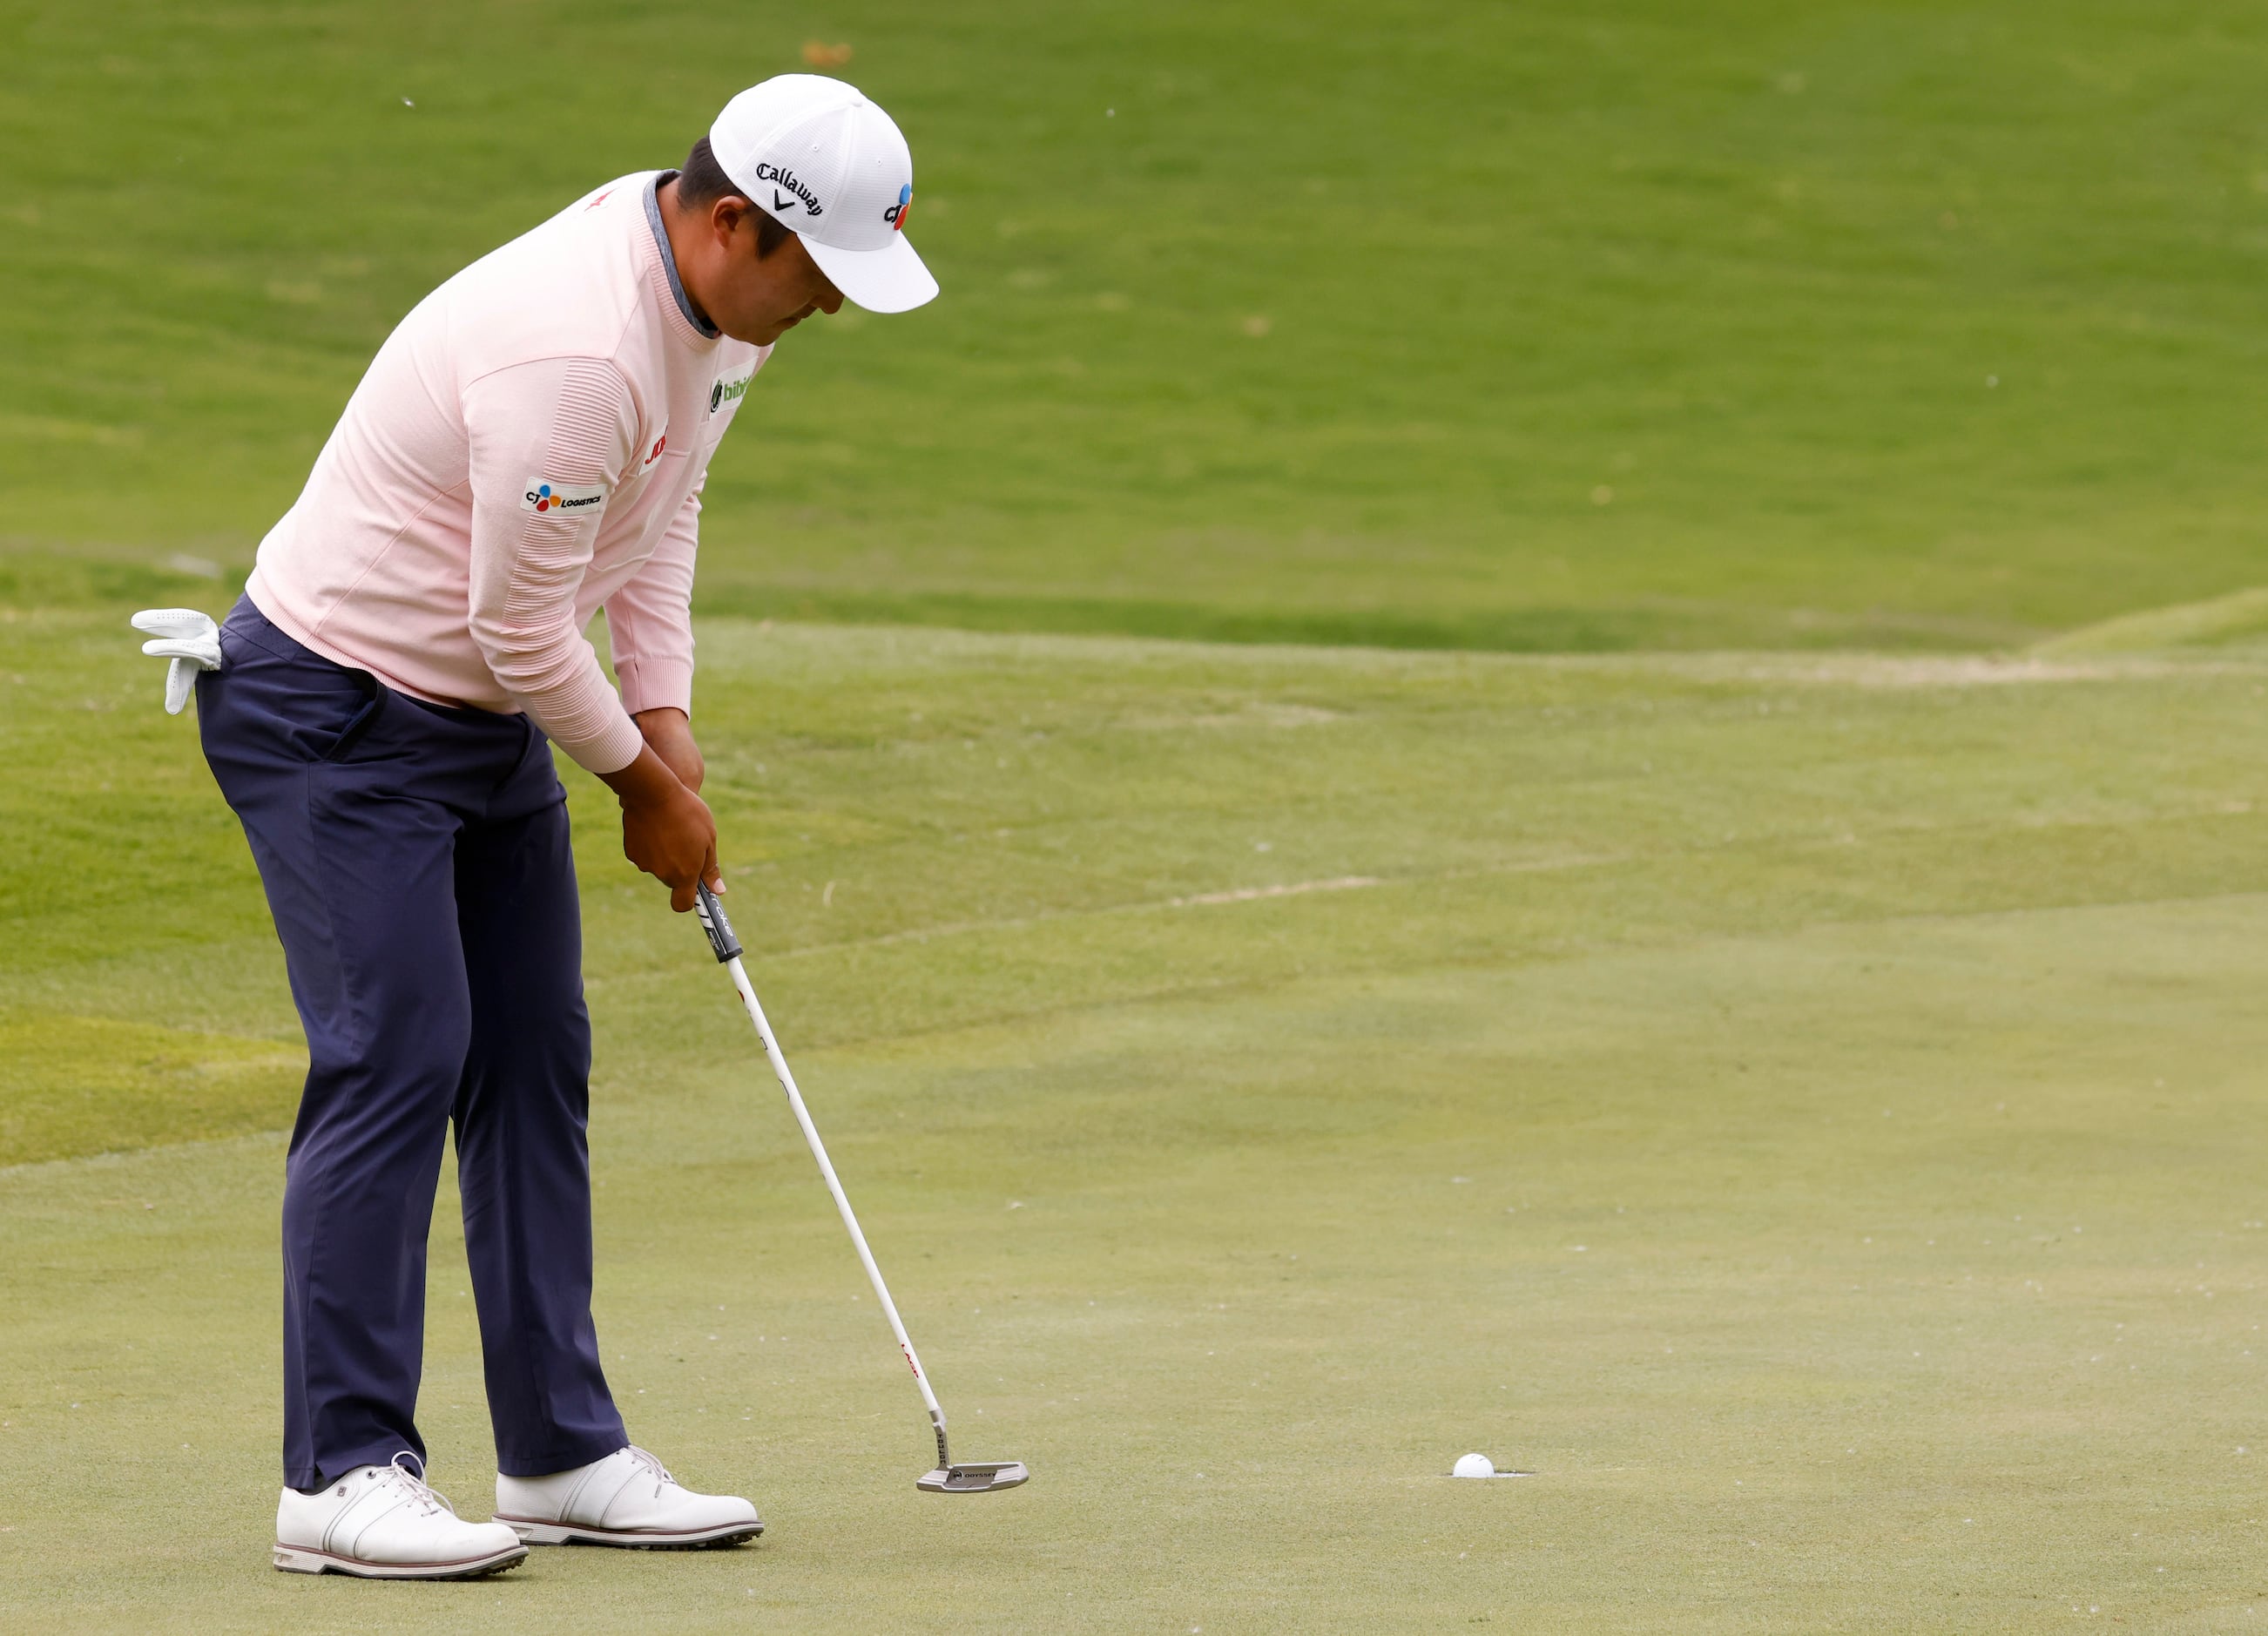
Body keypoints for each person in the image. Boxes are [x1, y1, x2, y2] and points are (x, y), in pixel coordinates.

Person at [173, 74, 936, 1579]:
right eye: (823, 276)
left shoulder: (721, 313)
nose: (833, 310)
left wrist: (661, 709)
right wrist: (647, 792)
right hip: (331, 707)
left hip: (474, 713)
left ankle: (559, 1449)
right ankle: (339, 1471)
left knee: (533, 1052)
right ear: (733, 222)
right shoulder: (577, 350)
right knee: (401, 1048)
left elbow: (658, 515)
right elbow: (518, 621)